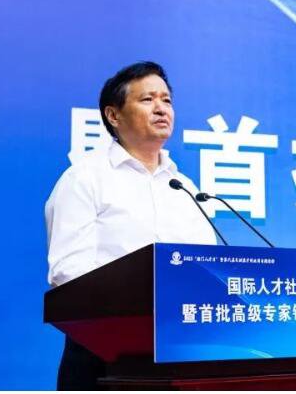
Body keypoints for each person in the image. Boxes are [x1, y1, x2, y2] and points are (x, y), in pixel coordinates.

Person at [45, 61, 216, 390]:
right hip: (103, 353)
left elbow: (205, 266)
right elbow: (69, 273)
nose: (161, 109)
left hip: (181, 351)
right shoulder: (85, 179)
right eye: (147, 99)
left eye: (166, 100)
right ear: (113, 115)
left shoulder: (186, 188)